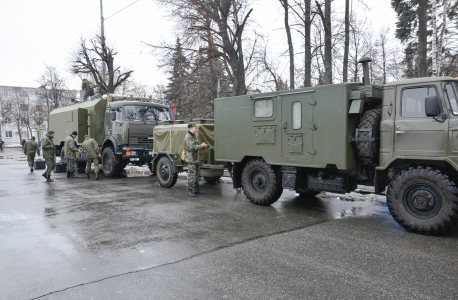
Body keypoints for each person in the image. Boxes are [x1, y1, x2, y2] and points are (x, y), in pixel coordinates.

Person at [184, 122, 209, 197]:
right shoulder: (188, 137)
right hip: (191, 158)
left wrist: (202, 145)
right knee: (191, 175)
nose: (196, 129)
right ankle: (189, 190)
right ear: (191, 128)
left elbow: (197, 144)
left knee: (198, 174)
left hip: (196, 158)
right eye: (195, 128)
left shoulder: (194, 136)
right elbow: (192, 147)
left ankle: (196, 188)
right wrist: (201, 146)